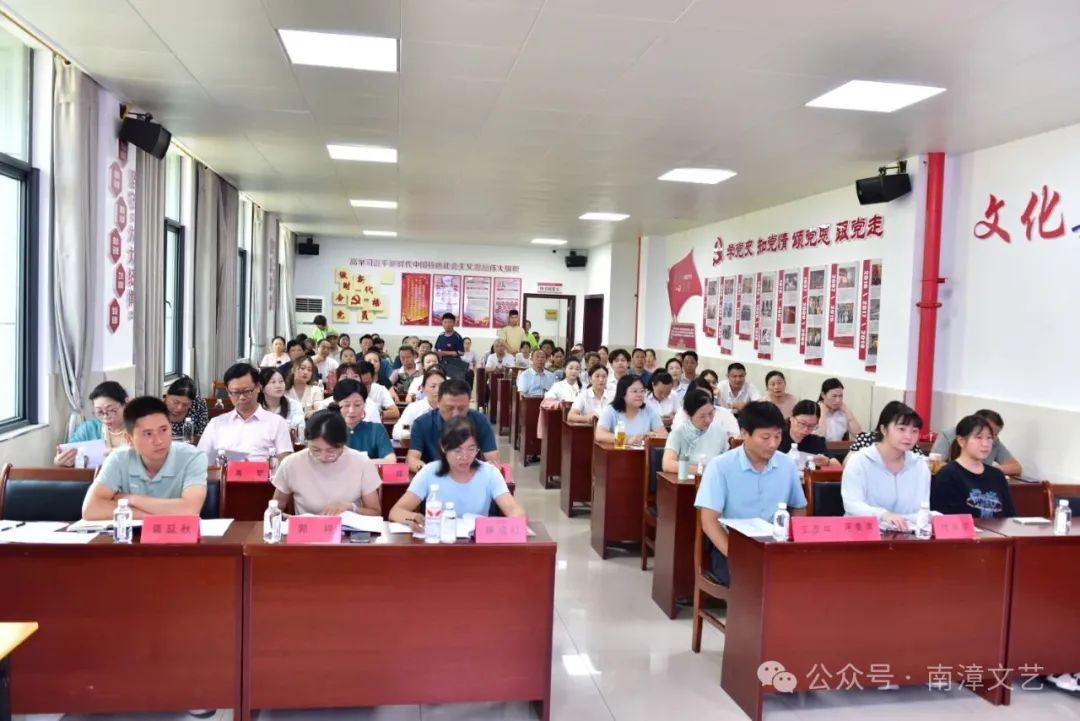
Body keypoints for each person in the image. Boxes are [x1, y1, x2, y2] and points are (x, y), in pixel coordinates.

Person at [694, 401, 806, 585]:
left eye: (778, 436)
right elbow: (709, 522)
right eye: (765, 437)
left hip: (775, 547)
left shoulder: (786, 465)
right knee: (757, 581)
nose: (773, 444)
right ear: (745, 434)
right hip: (733, 547)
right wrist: (738, 556)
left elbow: (799, 509)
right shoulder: (720, 467)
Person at [81, 396, 208, 520]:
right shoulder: (118, 458)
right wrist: (149, 517)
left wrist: (131, 499)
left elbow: (190, 509)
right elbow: (91, 509)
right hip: (134, 533)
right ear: (129, 439)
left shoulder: (192, 457)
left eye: (164, 430)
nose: (158, 441)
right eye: (148, 434)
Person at [390, 416, 525, 531]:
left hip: (476, 544)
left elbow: (514, 510)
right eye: (457, 450)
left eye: (471, 449)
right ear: (443, 447)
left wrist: (513, 521)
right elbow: (396, 511)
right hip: (438, 543)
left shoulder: (490, 473)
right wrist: (412, 518)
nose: (465, 457)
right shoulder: (428, 472)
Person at [270, 410, 382, 516]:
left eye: (331, 451)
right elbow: (275, 509)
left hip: (347, 529)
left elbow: (375, 513)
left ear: (343, 444)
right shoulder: (291, 463)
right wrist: (283, 518)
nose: (323, 457)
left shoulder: (362, 463)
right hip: (307, 529)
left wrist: (351, 507)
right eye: (316, 450)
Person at [841, 402, 930, 530]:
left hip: (907, 534)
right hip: (864, 533)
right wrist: (883, 515)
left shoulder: (920, 465)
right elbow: (852, 504)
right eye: (901, 429)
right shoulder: (859, 461)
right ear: (883, 429)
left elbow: (922, 510)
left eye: (914, 431)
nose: (909, 436)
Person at [197, 363, 293, 462]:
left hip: (263, 471)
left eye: (247, 391)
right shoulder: (216, 424)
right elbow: (200, 460)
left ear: (258, 387)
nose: (242, 397)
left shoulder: (277, 423)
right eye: (236, 392)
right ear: (228, 392)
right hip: (224, 472)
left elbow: (285, 464)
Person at [930, 415, 1016, 519]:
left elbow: (1010, 516)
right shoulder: (948, 474)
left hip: (996, 530)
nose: (985, 444)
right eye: (978, 437)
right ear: (961, 441)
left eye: (989, 438)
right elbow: (941, 517)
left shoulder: (997, 476)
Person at [407, 379, 499, 473]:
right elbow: (412, 459)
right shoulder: (422, 424)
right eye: (449, 408)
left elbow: (493, 460)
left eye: (461, 408)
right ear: (438, 403)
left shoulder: (481, 421)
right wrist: (430, 473)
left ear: (469, 404)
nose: (455, 414)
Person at [55, 381, 131, 466]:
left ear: (126, 403)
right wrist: (61, 461)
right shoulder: (88, 429)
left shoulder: (139, 428)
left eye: (111, 410)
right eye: (99, 412)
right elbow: (69, 452)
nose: (105, 416)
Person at [929, 408, 1022, 477]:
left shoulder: (994, 441)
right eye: (979, 436)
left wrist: (987, 470)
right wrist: (967, 470)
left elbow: (1016, 467)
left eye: (992, 435)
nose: (986, 442)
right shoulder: (949, 435)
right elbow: (934, 464)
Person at [662, 390, 734, 474]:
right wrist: (701, 471)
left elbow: (726, 463)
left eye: (711, 413)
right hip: (687, 480)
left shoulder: (720, 432)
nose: (708, 420)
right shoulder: (678, 432)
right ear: (689, 415)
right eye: (702, 416)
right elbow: (667, 464)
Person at [328, 379, 395, 461]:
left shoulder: (376, 429)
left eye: (357, 405)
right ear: (337, 405)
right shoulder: (327, 430)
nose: (352, 410)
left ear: (364, 404)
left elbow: (391, 460)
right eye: (346, 405)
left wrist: (361, 464)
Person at [595, 375, 667, 445]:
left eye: (642, 391)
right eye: (634, 391)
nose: (639, 394)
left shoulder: (649, 411)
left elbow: (664, 435)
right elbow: (600, 434)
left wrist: (653, 436)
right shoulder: (611, 410)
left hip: (643, 452)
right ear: (623, 393)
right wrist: (628, 440)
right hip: (616, 451)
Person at [779, 400, 839, 467]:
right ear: (791, 418)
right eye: (802, 423)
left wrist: (827, 462)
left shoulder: (816, 442)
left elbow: (837, 466)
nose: (805, 429)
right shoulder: (777, 438)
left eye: (811, 426)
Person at [671, 380, 740, 437]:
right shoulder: (683, 412)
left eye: (707, 396)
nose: (704, 401)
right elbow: (678, 437)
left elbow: (736, 437)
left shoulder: (724, 413)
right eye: (700, 397)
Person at [393, 366, 446, 441]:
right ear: (423, 389)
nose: (438, 390)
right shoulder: (414, 408)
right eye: (433, 386)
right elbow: (397, 432)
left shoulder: (453, 407)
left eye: (442, 386)